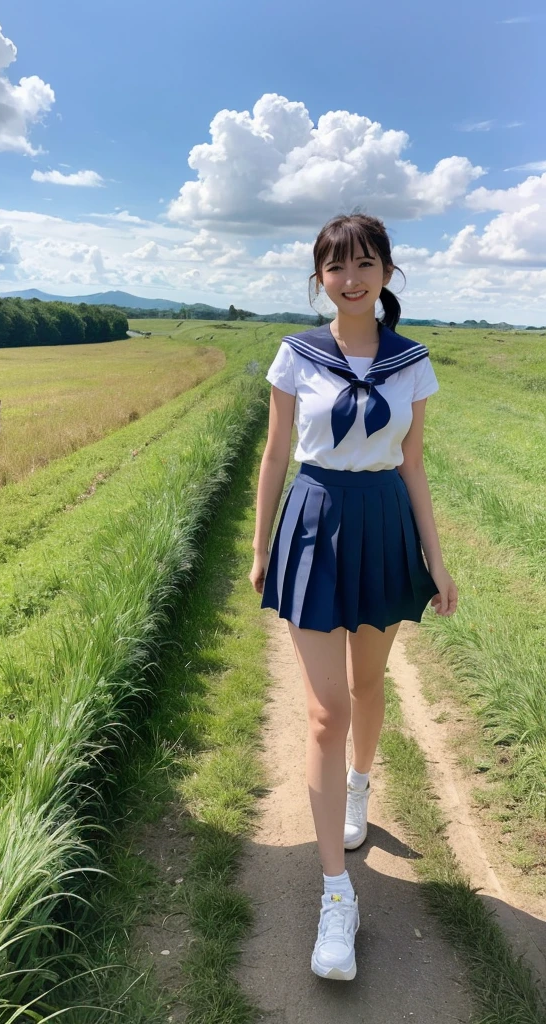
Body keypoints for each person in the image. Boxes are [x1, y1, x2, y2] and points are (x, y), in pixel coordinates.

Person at [249, 212, 458, 982]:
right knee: (326, 708)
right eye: (335, 267)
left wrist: (437, 560)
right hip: (312, 520)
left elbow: (413, 465)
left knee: (369, 687)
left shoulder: (412, 363)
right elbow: (276, 453)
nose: (350, 277)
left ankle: (359, 788)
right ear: (320, 280)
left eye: (364, 262)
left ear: (386, 273)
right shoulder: (295, 356)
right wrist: (260, 542)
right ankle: (337, 895)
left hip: (381, 523)